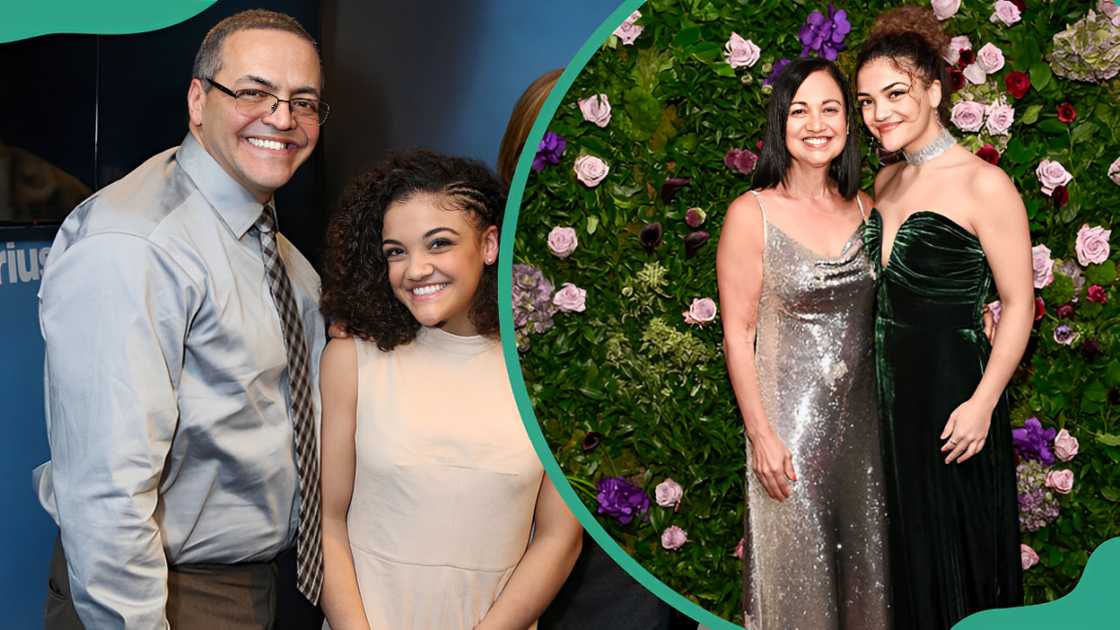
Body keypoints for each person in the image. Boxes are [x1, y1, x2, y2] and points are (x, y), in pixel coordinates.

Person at [34, 10, 328, 629]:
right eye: (253, 92)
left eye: (303, 101)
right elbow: (107, 497)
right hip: (168, 596)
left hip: (263, 586)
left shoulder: (280, 256)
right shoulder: (136, 243)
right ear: (198, 100)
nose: (282, 118)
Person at [317, 150, 582, 630]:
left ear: (489, 244)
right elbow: (326, 523)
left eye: (438, 244)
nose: (415, 269)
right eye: (396, 251)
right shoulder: (352, 360)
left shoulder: (549, 371)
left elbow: (559, 539)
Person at [854, 7, 1031, 629]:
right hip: (889, 402)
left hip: (956, 401)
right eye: (868, 101)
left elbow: (1018, 304)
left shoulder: (985, 185)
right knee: (904, 564)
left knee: (959, 558)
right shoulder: (884, 180)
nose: (880, 113)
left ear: (934, 89)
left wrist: (983, 402)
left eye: (896, 93)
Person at [717, 57, 889, 629]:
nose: (816, 123)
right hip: (786, 443)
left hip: (866, 440)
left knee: (869, 594)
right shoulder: (752, 214)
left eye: (830, 108)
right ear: (780, 124)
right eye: (800, 110)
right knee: (799, 598)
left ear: (848, 123)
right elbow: (739, 336)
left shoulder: (870, 209)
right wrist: (761, 437)